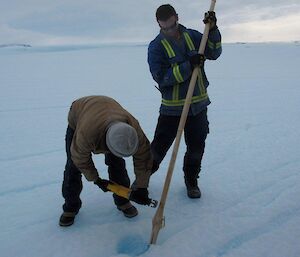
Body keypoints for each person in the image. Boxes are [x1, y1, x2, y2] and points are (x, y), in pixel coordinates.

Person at [147, 4, 222, 198]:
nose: (170, 31)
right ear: (159, 24)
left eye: (172, 26)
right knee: (158, 149)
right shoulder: (156, 47)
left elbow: (214, 52)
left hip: (198, 107)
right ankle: (141, 180)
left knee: (196, 147)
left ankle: (191, 182)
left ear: (177, 18)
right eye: (165, 28)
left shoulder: (194, 36)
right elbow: (161, 77)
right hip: (172, 111)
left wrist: (212, 29)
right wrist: (188, 65)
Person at [60, 96, 154, 226]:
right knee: (73, 167)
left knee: (117, 165)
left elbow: (144, 157)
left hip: (108, 109)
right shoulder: (86, 133)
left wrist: (142, 186)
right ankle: (70, 206)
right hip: (79, 113)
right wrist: (96, 179)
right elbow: (80, 158)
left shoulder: (133, 128)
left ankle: (123, 201)